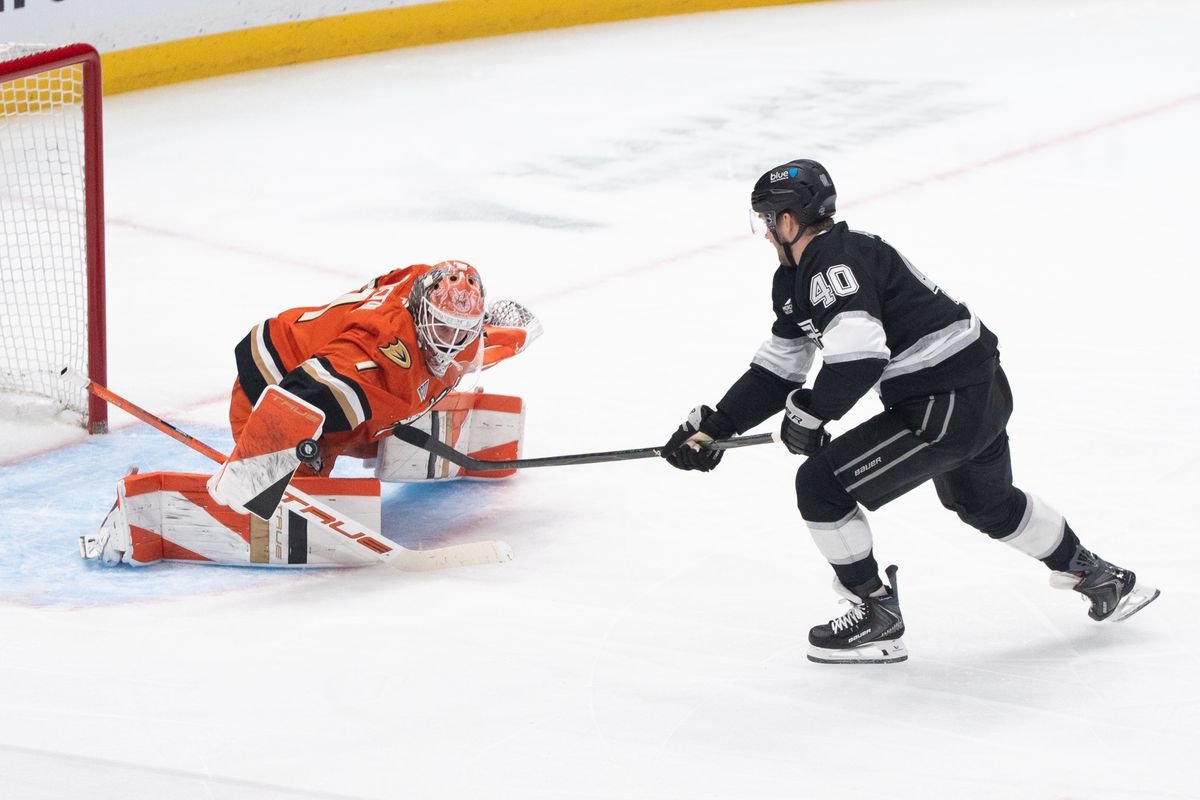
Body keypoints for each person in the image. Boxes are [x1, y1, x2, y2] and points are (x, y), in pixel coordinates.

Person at [660, 159, 1159, 664]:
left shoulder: (833, 268)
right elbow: (779, 368)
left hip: (943, 402)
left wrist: (811, 416)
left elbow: (859, 359)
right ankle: (1096, 574)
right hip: (978, 389)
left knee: (821, 486)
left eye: (766, 221)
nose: (765, 234)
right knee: (986, 503)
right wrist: (717, 425)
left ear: (787, 220)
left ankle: (875, 614)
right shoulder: (814, 270)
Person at [229, 260, 531, 476]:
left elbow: (388, 285)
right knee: (306, 475)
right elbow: (302, 395)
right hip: (270, 387)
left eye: (461, 330)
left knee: (390, 401)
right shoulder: (380, 348)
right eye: (442, 328)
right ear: (422, 312)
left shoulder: (422, 283)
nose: (451, 342)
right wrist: (256, 472)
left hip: (330, 373)